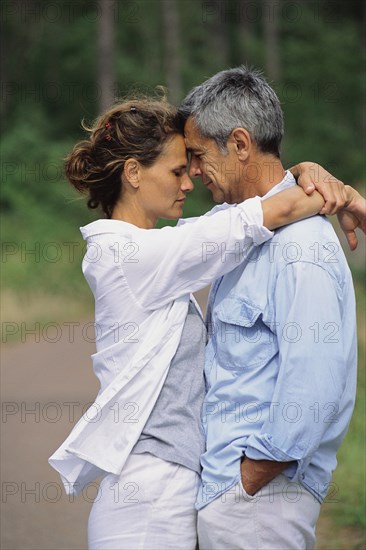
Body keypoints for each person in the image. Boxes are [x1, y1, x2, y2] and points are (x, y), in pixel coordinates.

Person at [48, 95, 364, 550]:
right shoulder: (127, 255)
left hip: (168, 493)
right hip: (148, 499)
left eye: (192, 163)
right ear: (134, 173)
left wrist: (306, 172)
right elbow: (256, 217)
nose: (190, 180)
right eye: (179, 169)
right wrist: (340, 192)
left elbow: (241, 216)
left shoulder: (160, 252)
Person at [179, 66, 365, 550]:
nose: (194, 171)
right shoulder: (237, 227)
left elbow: (317, 378)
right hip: (233, 493)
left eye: (198, 156)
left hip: (259, 503)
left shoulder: (301, 247)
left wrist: (249, 478)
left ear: (240, 144)